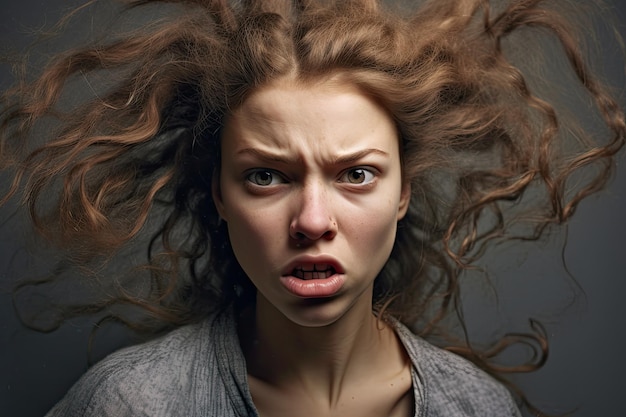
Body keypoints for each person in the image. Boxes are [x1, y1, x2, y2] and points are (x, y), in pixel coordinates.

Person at [1, 0, 624, 415]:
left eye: (357, 174)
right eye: (267, 176)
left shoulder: (477, 409)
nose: (313, 221)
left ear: (403, 190)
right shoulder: (132, 404)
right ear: (219, 192)